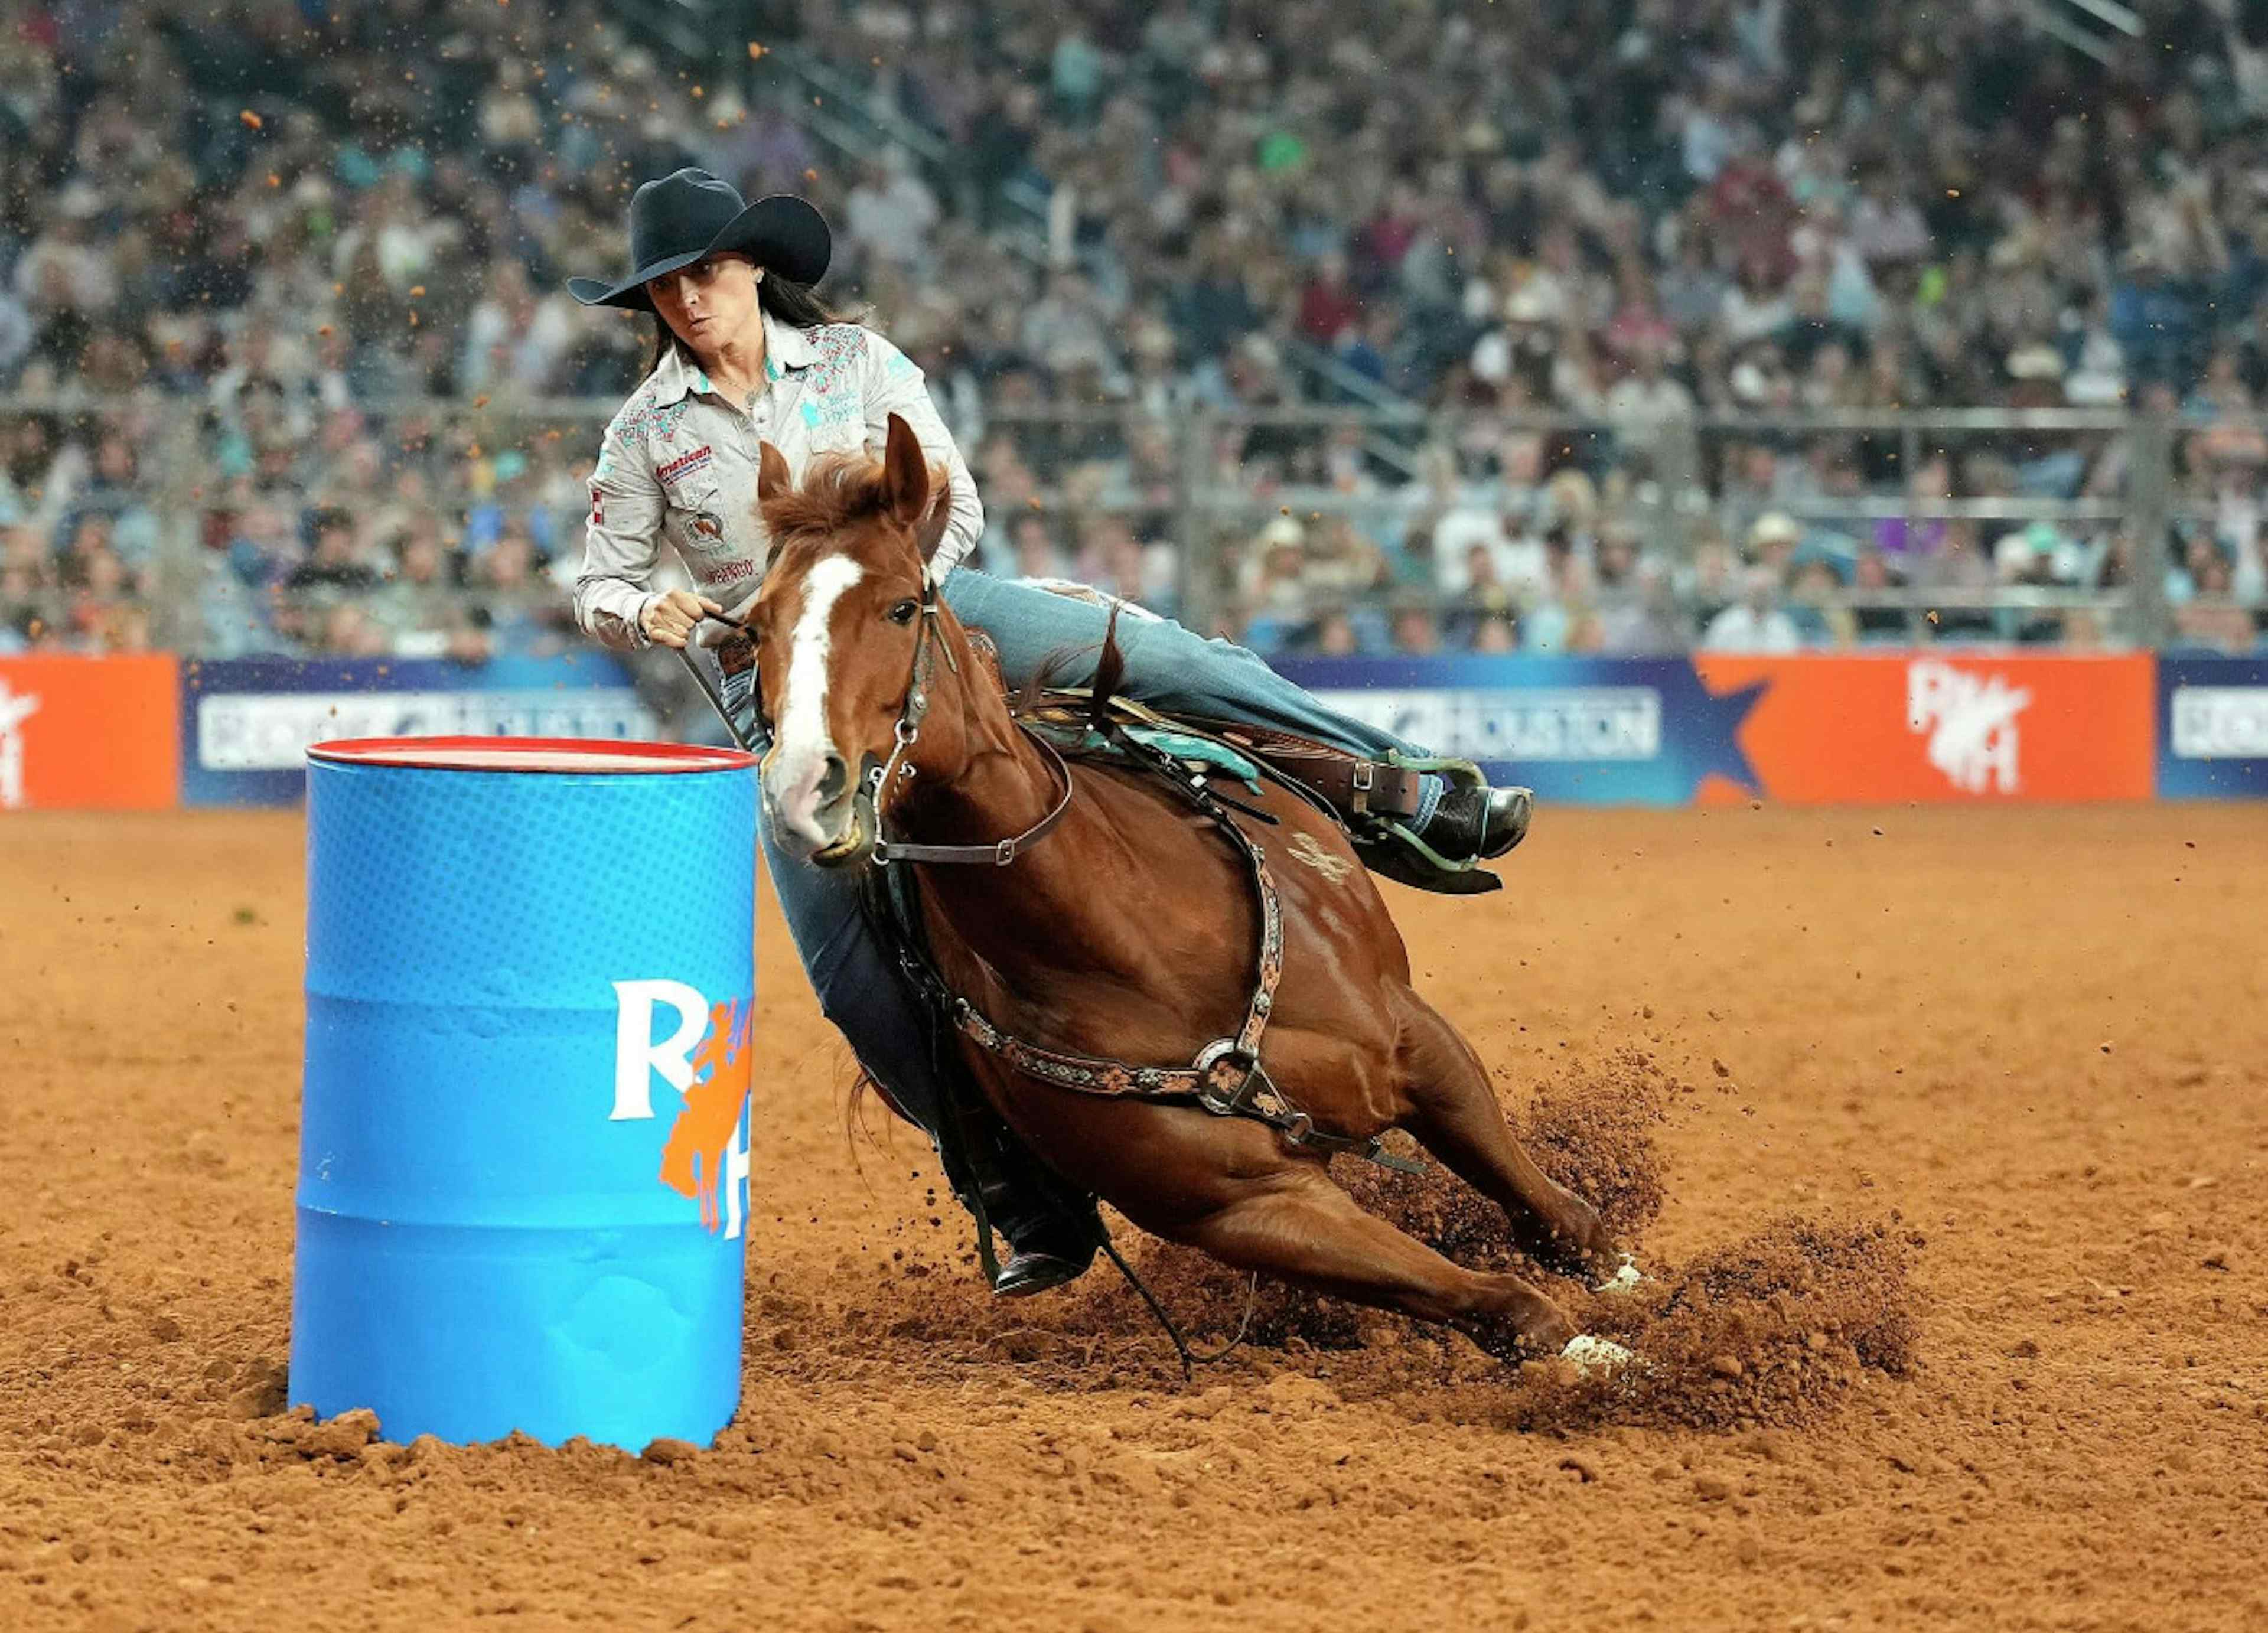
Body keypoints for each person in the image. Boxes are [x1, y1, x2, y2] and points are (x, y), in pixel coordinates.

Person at [568, 171, 1533, 1298]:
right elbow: (599, 583)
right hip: (778, 689)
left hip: (929, 616)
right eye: (666, 288)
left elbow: (958, 503)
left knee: (1172, 661)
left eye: (706, 273)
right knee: (849, 975)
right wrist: (645, 608)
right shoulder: (645, 434)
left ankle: (1400, 787)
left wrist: (901, 605)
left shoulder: (854, 364)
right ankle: (1022, 1192)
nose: (690, 300)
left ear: (751, 269)